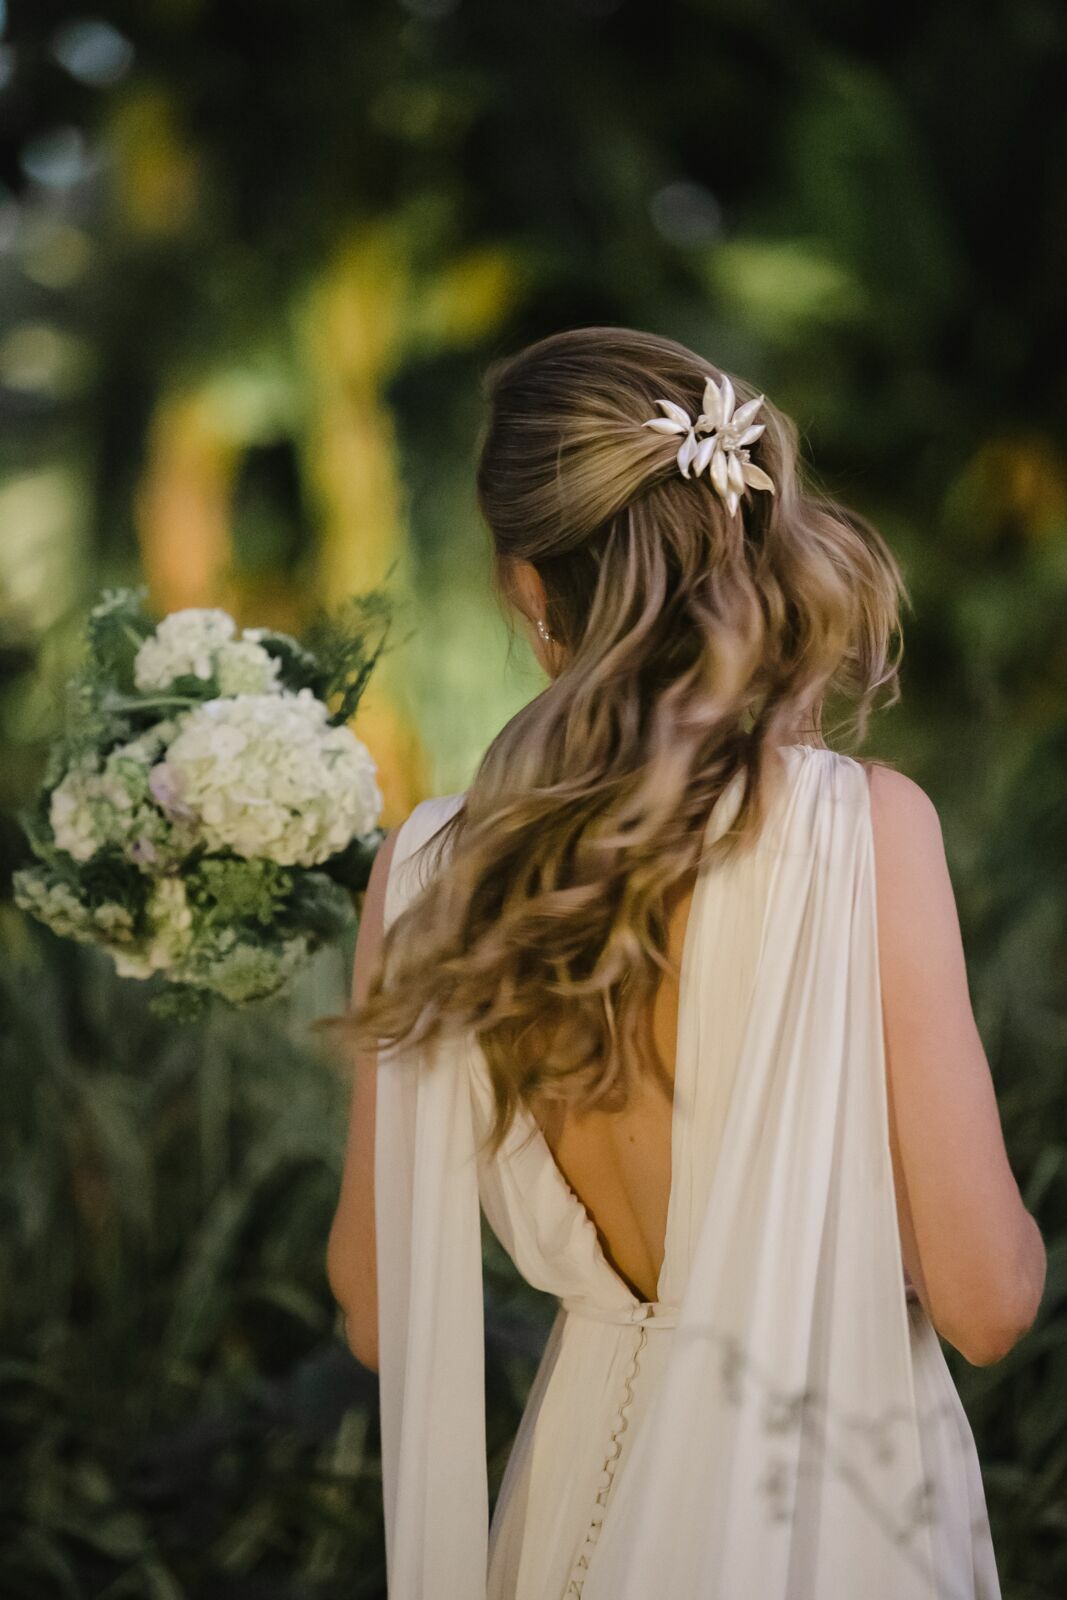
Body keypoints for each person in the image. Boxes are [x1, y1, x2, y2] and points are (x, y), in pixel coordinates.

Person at [326, 326, 1045, 1599]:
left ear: (525, 585)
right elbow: (986, 1302)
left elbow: (378, 1314)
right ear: (741, 534)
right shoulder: (858, 830)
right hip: (827, 1502)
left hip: (573, 1509)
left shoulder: (428, 871)